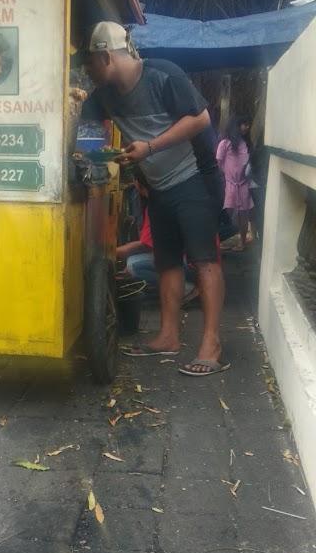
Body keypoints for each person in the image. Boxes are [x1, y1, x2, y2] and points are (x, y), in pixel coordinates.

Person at [82, 21, 227, 376]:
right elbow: (84, 133)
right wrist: (93, 152)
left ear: (106, 57)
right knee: (166, 261)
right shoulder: (103, 95)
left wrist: (148, 147)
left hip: (195, 178)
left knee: (204, 258)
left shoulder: (164, 75)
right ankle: (168, 336)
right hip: (158, 186)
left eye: (91, 63)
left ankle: (211, 343)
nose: (87, 72)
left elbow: (201, 119)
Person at [217, 117, 253, 252]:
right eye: (244, 124)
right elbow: (219, 163)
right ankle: (224, 239)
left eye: (248, 124)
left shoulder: (246, 143)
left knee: (243, 214)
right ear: (236, 126)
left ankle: (242, 242)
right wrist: (228, 176)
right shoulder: (225, 143)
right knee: (228, 213)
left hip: (244, 184)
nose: (247, 127)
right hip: (229, 184)